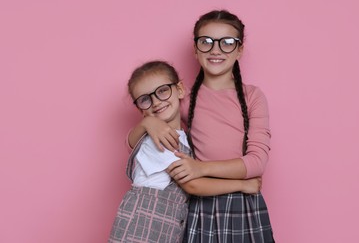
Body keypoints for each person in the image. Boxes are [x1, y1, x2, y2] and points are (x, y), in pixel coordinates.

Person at [127, 10, 275, 242]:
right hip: (200, 206)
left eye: (227, 42)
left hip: (243, 205)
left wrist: (201, 168)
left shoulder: (253, 97)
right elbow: (134, 143)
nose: (215, 50)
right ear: (195, 50)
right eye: (206, 42)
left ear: (240, 50)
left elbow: (257, 162)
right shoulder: (183, 100)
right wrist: (148, 122)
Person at [108, 60, 262, 243]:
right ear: (140, 109)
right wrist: (243, 185)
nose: (156, 102)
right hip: (140, 230)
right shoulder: (158, 140)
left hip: (164, 230)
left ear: (180, 90)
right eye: (145, 99)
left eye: (163, 90)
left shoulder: (184, 137)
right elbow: (192, 185)